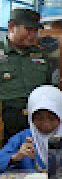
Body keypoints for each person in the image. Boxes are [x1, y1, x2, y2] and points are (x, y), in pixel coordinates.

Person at [0, 85, 62, 179]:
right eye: (39, 118)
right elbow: (2, 158)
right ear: (31, 118)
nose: (46, 124)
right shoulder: (22, 138)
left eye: (52, 119)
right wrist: (15, 157)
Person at [0, 9, 53, 145]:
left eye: (35, 30)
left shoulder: (41, 55)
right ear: (11, 27)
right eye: (28, 29)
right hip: (6, 119)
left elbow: (49, 87)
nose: (32, 35)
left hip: (38, 118)